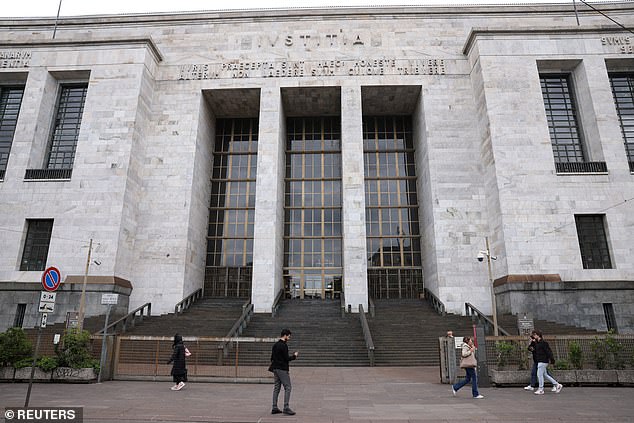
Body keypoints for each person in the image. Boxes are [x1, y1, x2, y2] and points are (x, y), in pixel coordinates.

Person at [270, 328, 299, 415]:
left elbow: (271, 357)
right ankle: (286, 407)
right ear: (285, 335)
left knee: (277, 387)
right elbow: (286, 358)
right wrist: (294, 356)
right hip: (282, 369)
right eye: (288, 337)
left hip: (275, 368)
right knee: (288, 387)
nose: (289, 339)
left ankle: (274, 407)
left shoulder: (275, 345)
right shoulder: (284, 345)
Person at [532, 330, 563, 395]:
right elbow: (532, 349)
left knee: (539, 375)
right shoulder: (538, 343)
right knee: (545, 375)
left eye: (534, 335)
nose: (534, 336)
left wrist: (552, 359)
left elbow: (548, 351)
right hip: (541, 361)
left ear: (538, 335)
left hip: (543, 361)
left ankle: (541, 389)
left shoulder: (543, 343)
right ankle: (557, 385)